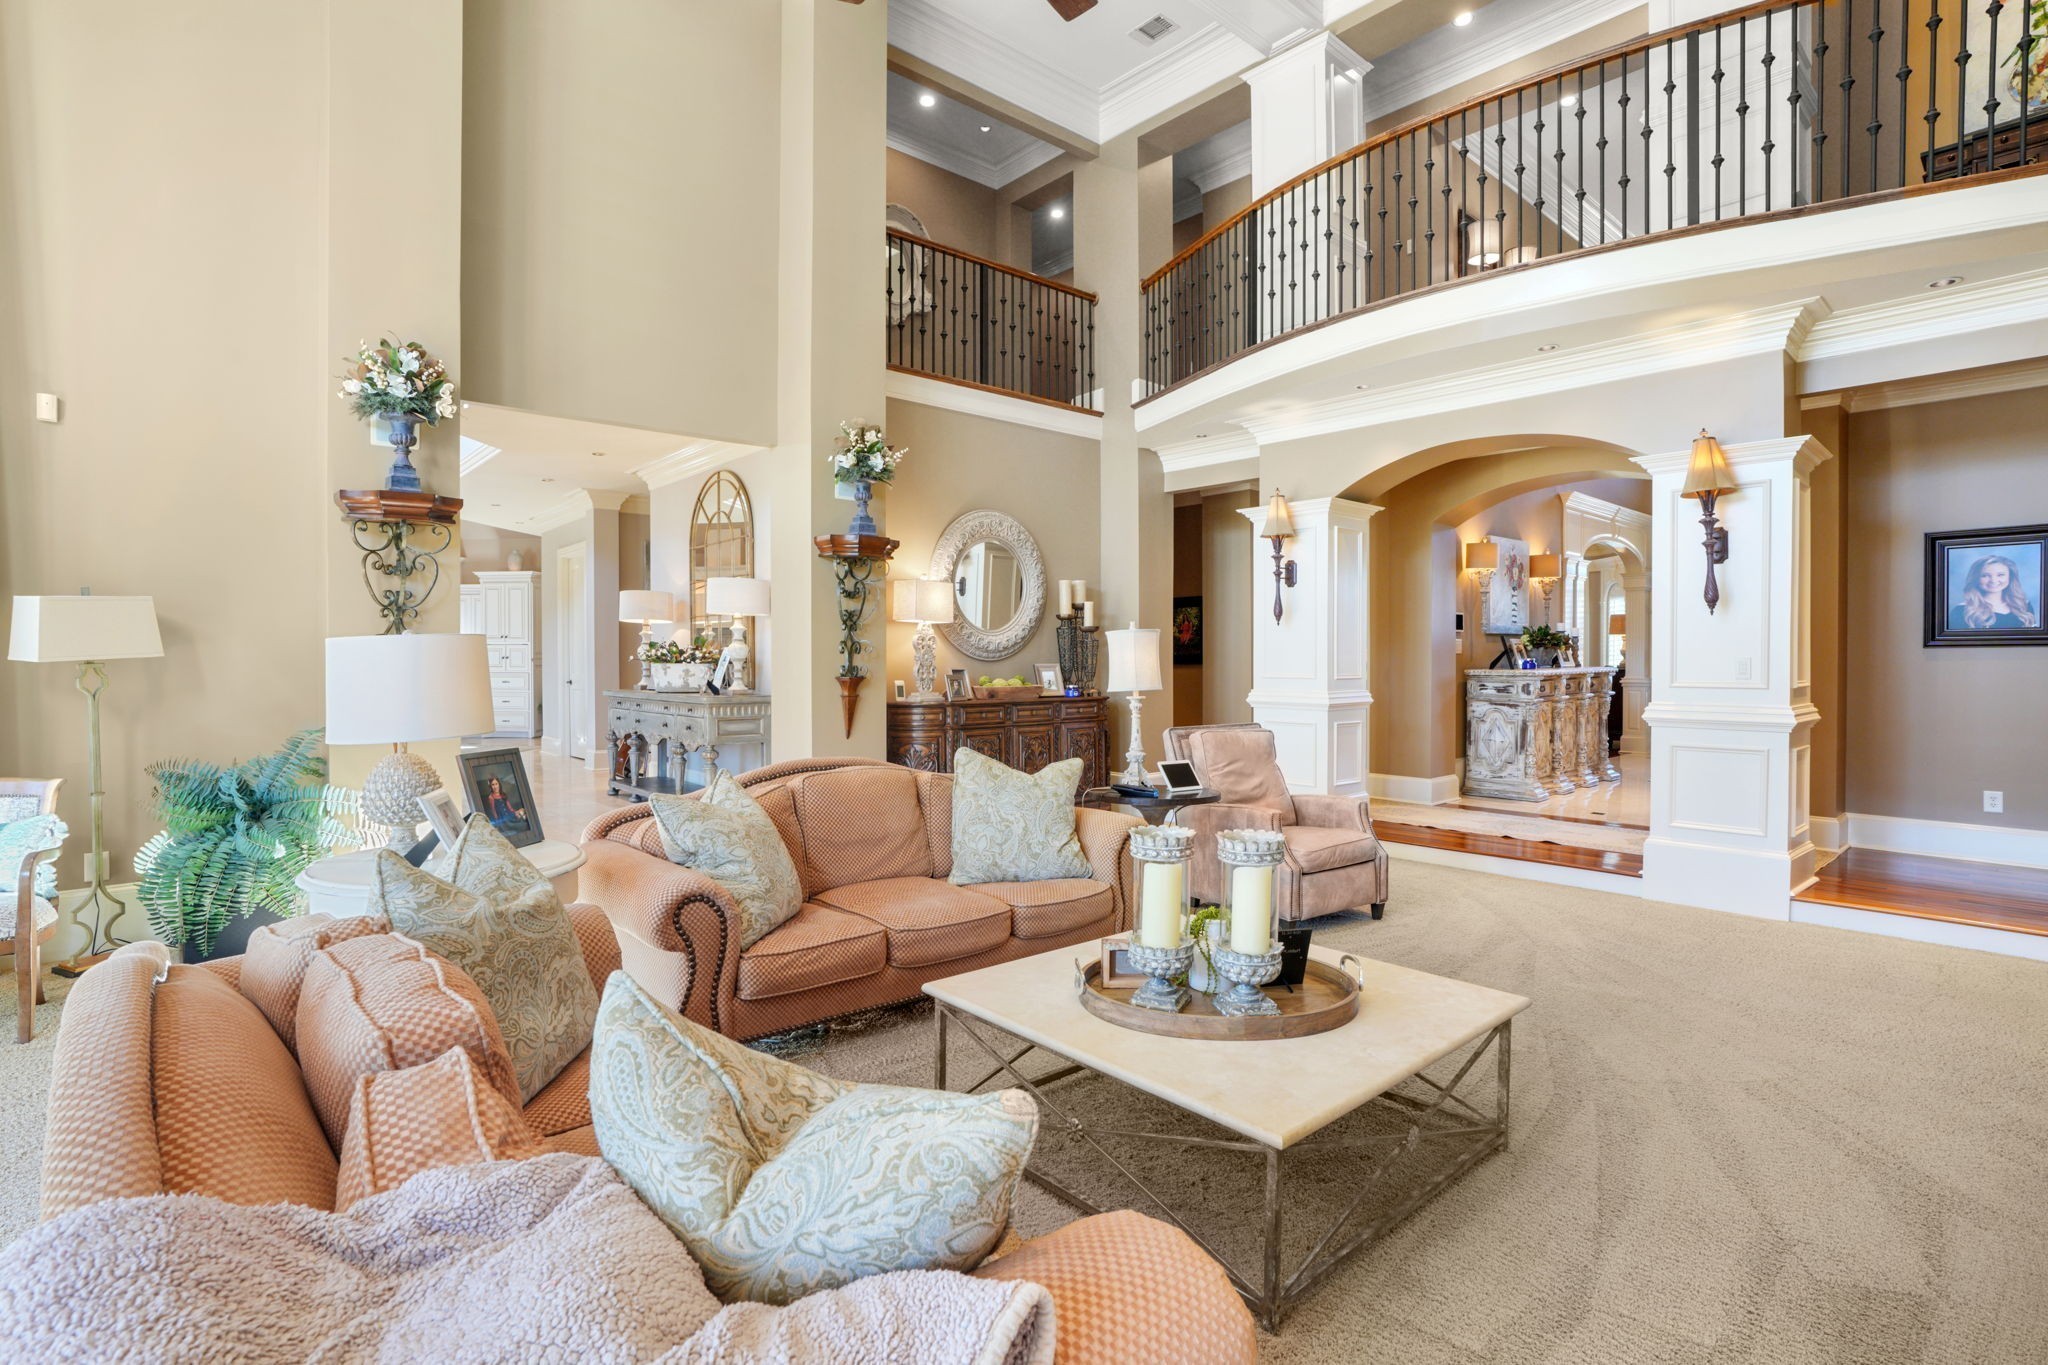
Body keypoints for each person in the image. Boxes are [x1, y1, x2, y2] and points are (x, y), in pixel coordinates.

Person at [1949, 553, 2039, 631]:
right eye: (1985, 575)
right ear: (1975, 578)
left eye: (2000, 575)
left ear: (2010, 577)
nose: (1993, 580)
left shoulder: (2024, 606)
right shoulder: (1962, 610)